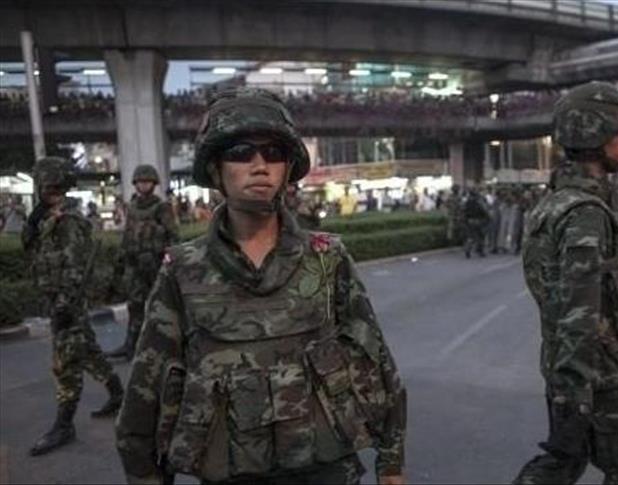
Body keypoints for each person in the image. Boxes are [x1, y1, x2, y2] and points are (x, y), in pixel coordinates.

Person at [115, 88, 406, 485]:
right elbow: (147, 386)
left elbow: (375, 359)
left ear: (288, 168)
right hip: (231, 472)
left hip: (326, 469)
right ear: (215, 168)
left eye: (273, 153)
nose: (259, 165)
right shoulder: (182, 270)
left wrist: (391, 461)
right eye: (240, 152)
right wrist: (144, 473)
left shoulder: (327, 257)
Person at [514, 81, 618, 485]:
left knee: (564, 464)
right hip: (596, 377)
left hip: (576, 371)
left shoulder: (560, 201)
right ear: (592, 133)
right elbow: (579, 311)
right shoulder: (585, 212)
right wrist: (576, 395)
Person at [23, 157, 123, 456]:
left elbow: (75, 268)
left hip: (68, 302)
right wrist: (33, 222)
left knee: (65, 364)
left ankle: (64, 425)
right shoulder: (44, 219)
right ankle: (118, 393)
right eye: (47, 188)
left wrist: (65, 306)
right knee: (88, 351)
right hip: (58, 299)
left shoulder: (69, 222)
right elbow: (32, 249)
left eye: (54, 188)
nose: (50, 193)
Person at [106, 164, 179, 361]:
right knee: (135, 306)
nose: (143, 185)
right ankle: (131, 345)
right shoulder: (132, 207)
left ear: (154, 184)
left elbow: (173, 235)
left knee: (161, 306)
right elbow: (128, 235)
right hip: (136, 265)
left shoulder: (162, 207)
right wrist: (120, 262)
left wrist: (170, 261)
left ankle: (165, 347)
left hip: (155, 264)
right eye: (140, 182)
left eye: (147, 182)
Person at [462, 188, 490, 258]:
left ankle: (468, 249)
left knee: (470, 236)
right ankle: (480, 251)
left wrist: (465, 220)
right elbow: (484, 210)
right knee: (481, 236)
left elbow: (464, 211)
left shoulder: (467, 202)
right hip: (478, 221)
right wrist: (488, 217)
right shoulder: (478, 202)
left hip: (469, 221)